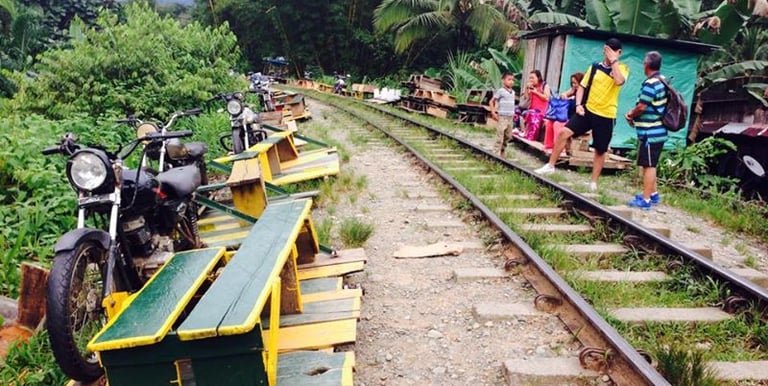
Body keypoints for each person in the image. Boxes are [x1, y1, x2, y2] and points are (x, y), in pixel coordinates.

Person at [534, 38, 629, 192]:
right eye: (607, 50)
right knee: (564, 132)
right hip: (588, 110)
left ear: (619, 52)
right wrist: (578, 105)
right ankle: (550, 165)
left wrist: (614, 61)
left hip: (606, 114)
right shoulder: (595, 67)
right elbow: (582, 87)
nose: (609, 53)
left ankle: (593, 183)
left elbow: (619, 81)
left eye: (613, 51)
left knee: (600, 149)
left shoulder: (622, 68)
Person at [624, 51, 668, 210]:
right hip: (656, 131)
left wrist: (631, 114)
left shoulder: (651, 84)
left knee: (649, 165)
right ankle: (653, 194)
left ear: (647, 65)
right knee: (649, 163)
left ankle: (646, 200)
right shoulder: (662, 80)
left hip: (651, 132)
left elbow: (642, 106)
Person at [543, 72, 584, 152]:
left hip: (575, 119)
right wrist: (565, 95)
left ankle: (559, 149)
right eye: (572, 83)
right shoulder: (573, 90)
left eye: (576, 83)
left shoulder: (583, 94)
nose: (574, 85)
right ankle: (549, 145)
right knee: (549, 122)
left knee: (557, 124)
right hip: (565, 117)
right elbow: (562, 95)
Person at [518, 70, 551, 139]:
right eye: (530, 78)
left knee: (525, 113)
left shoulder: (544, 85)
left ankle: (525, 132)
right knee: (517, 111)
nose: (531, 80)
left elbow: (546, 98)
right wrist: (527, 88)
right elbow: (527, 97)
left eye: (532, 78)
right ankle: (521, 130)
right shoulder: (532, 86)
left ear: (538, 77)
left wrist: (536, 92)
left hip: (541, 110)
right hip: (531, 108)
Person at [490, 73, 516, 157]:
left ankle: (502, 152)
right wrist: (493, 112)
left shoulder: (513, 92)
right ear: (503, 81)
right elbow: (491, 101)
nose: (511, 82)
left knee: (508, 136)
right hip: (502, 117)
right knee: (500, 136)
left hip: (510, 117)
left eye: (513, 80)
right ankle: (495, 154)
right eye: (509, 79)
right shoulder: (501, 91)